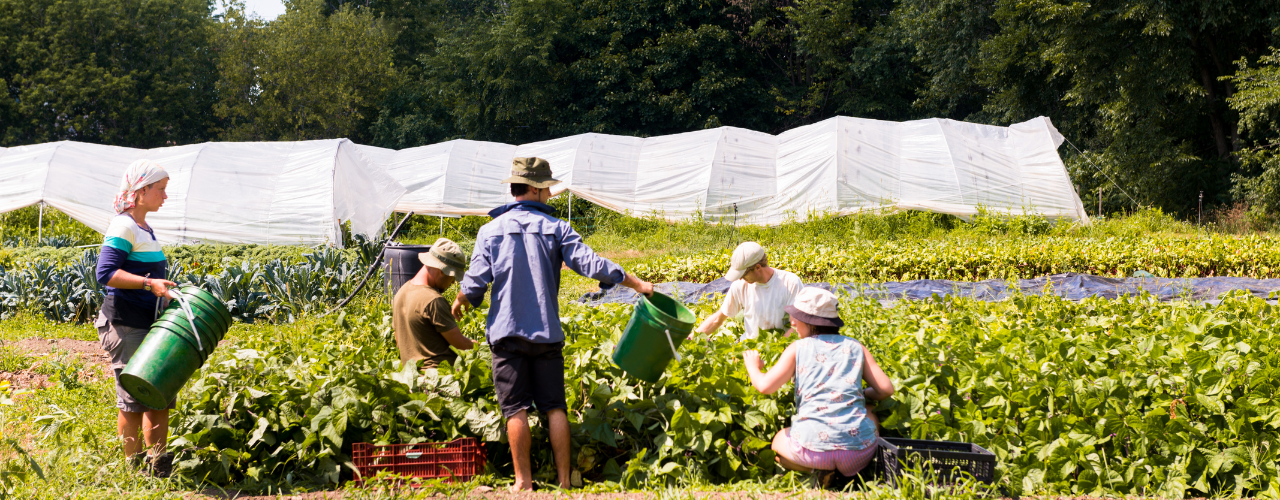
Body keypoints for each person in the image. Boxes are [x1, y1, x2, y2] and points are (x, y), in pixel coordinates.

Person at [452, 157, 654, 491]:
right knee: (555, 407)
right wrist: (634, 282)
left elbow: (475, 282)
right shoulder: (557, 228)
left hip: (507, 334)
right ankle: (563, 482)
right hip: (546, 333)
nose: (549, 194)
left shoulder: (490, 231)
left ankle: (523, 483)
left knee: (515, 409)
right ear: (533, 188)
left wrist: (461, 299)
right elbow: (591, 263)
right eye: (546, 188)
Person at [741, 287, 894, 485]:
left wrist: (753, 367)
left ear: (811, 323)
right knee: (870, 411)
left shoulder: (798, 348)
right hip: (858, 454)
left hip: (812, 453)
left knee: (778, 442)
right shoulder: (856, 346)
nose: (792, 323)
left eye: (796, 318)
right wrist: (862, 394)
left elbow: (764, 386)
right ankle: (851, 472)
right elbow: (886, 390)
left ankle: (818, 470)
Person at [93, 159, 179, 475]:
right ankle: (133, 471)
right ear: (141, 191)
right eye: (160, 189)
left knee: (158, 394)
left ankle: (159, 468)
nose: (164, 196)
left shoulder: (144, 227)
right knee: (133, 399)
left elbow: (146, 272)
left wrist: (163, 290)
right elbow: (106, 272)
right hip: (125, 324)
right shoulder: (124, 226)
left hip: (146, 323)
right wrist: (147, 282)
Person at [393, 237, 475, 368]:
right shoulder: (433, 300)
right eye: (452, 276)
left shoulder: (401, 293)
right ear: (442, 271)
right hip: (439, 381)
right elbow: (461, 344)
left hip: (412, 380)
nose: (453, 282)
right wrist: (478, 345)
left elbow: (399, 343)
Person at [695, 241, 804, 339]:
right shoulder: (739, 286)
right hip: (750, 348)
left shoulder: (790, 283)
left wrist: (777, 349)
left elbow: (798, 325)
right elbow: (718, 319)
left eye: (744, 274)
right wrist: (692, 338)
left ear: (757, 267)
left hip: (780, 347)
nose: (741, 278)